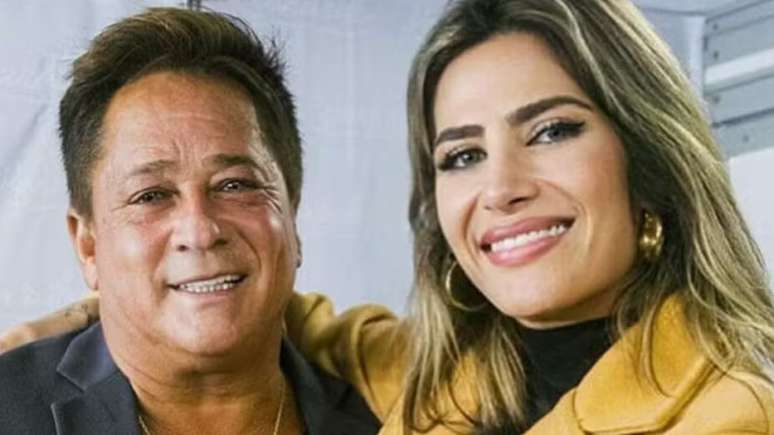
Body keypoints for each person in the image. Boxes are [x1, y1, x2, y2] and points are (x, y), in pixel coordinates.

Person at [4, 0, 774, 434]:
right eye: (463, 154)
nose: (501, 187)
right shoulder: (427, 376)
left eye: (551, 131)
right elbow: (261, 301)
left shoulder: (740, 413)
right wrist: (105, 303)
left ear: (649, 156)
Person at [0, 7, 380, 435]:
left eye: (234, 185)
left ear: (291, 215)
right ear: (87, 245)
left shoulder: (391, 420)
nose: (200, 231)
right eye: (151, 195)